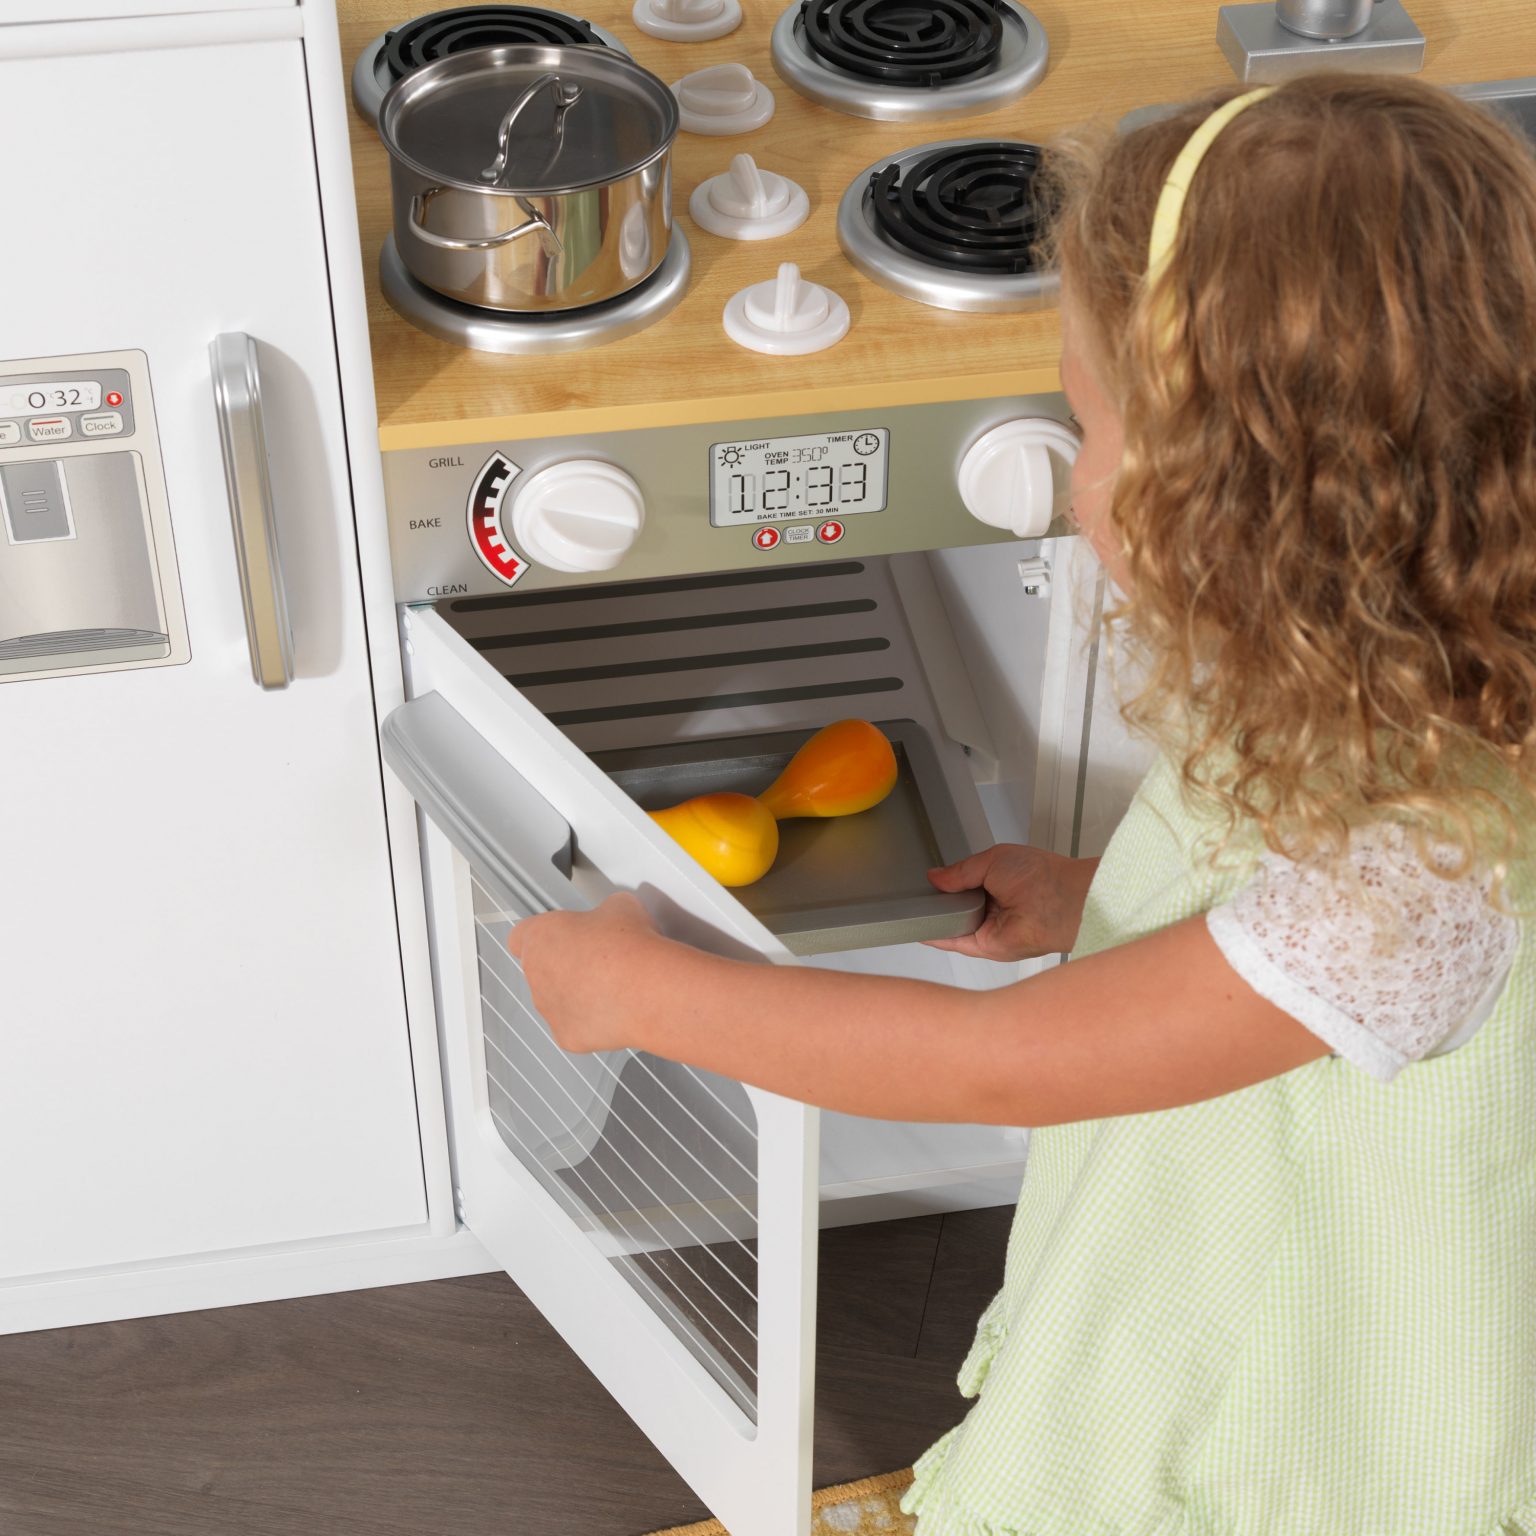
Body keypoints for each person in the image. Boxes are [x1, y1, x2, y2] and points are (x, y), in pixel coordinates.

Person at [510, 73, 1536, 1535]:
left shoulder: (1418, 880)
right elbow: (1273, 885)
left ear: (1228, 496)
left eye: (1092, 429)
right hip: (1255, 1190)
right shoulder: (1430, 662)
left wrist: (642, 995)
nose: (1077, 488)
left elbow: (996, 1070)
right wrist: (1101, 894)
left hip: (1304, 1340)